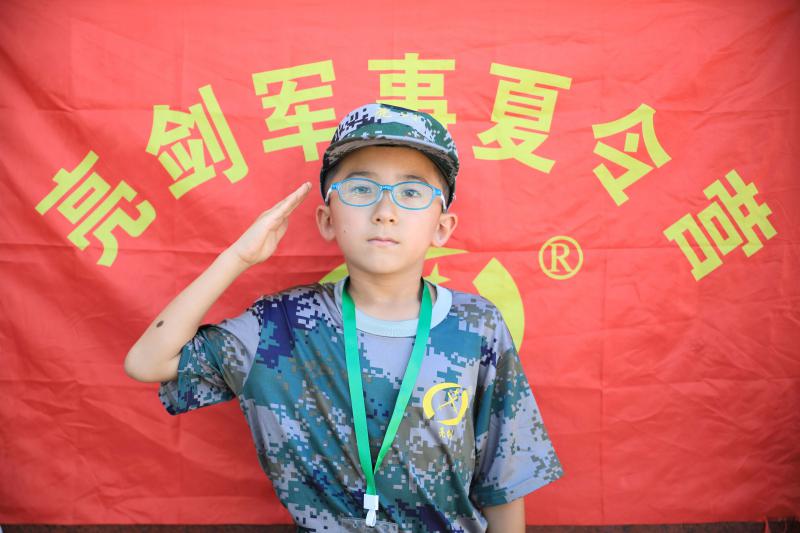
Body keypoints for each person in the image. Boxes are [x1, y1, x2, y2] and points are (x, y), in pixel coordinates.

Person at [124, 102, 564, 532]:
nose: (385, 212)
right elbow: (147, 363)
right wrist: (238, 257)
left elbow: (504, 484)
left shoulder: (477, 326)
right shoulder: (281, 325)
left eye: (411, 192)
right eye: (360, 189)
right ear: (327, 219)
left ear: (442, 227)